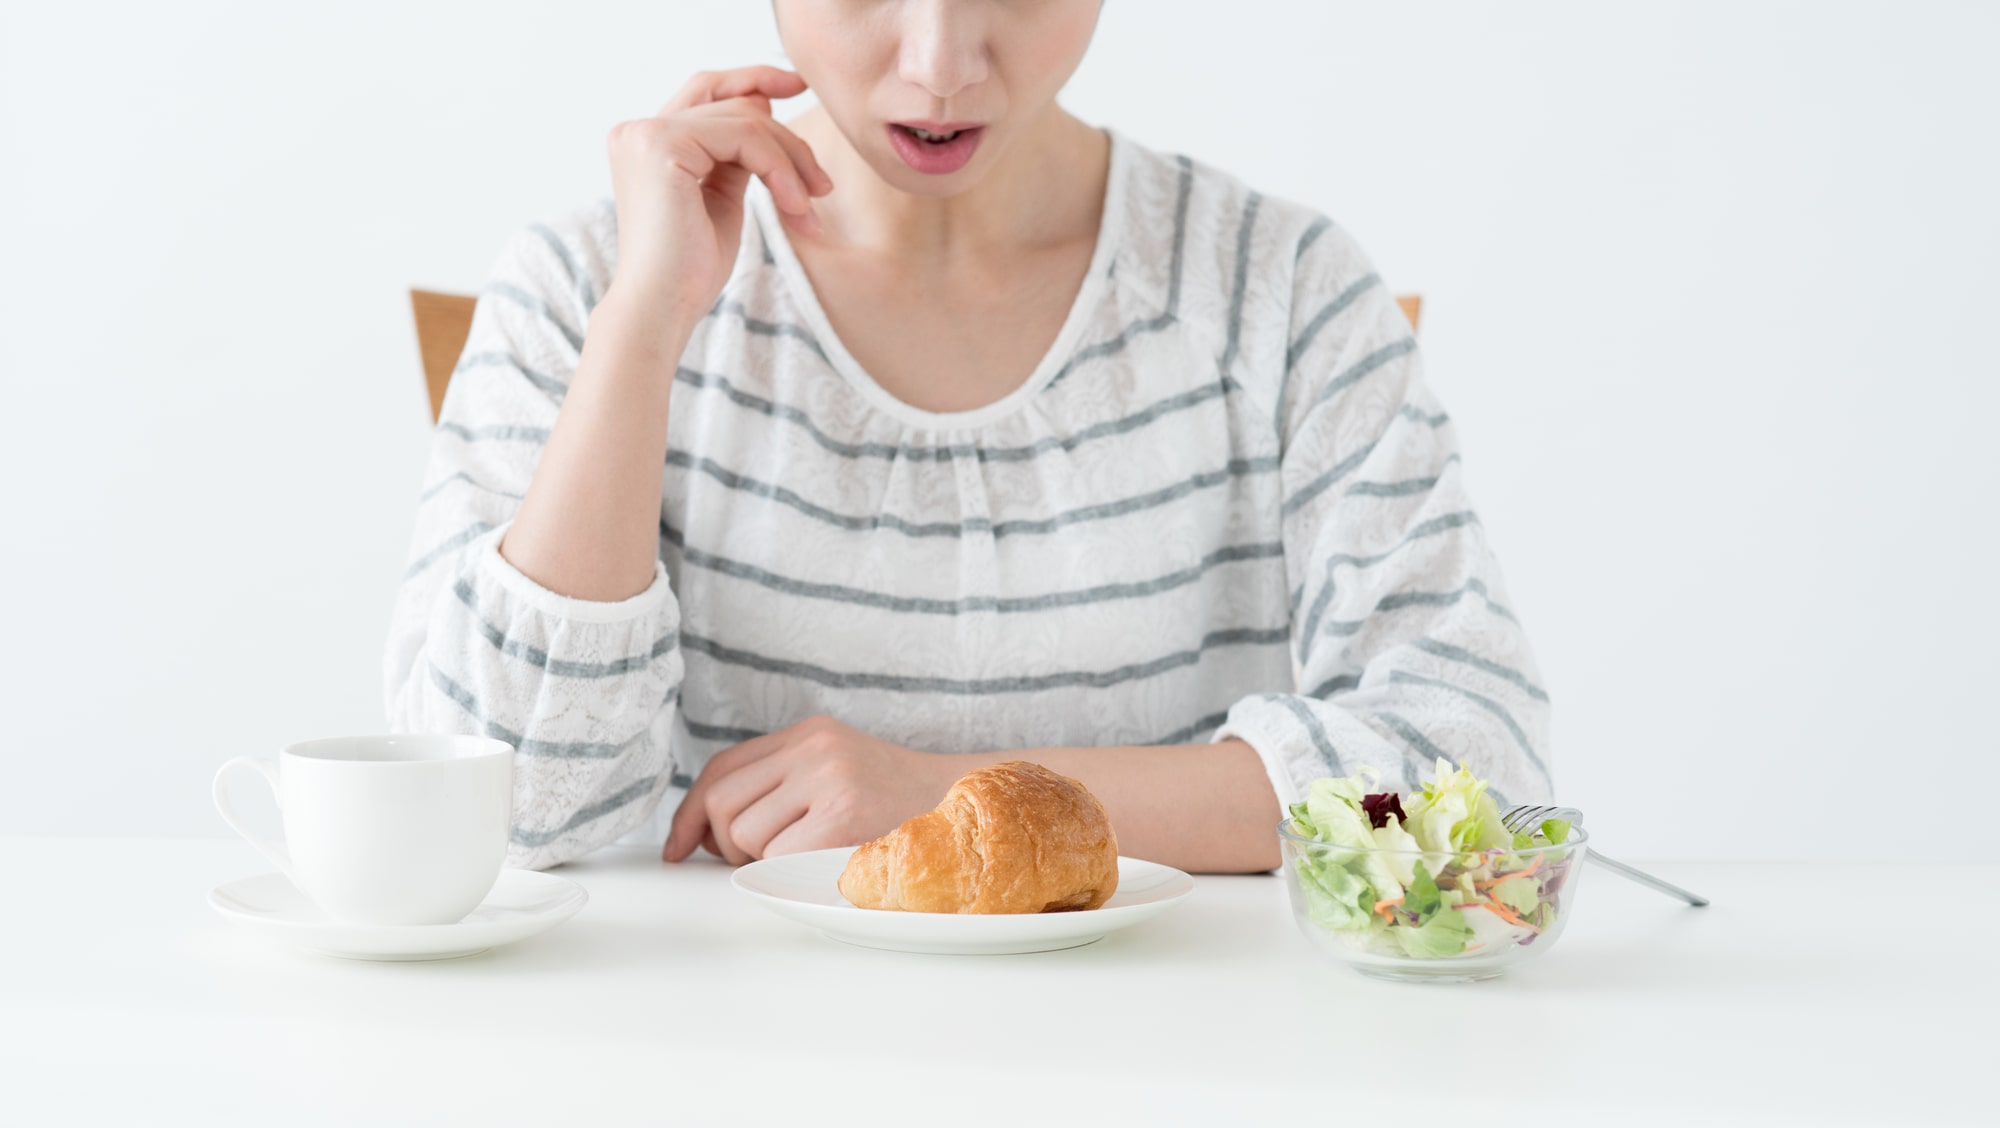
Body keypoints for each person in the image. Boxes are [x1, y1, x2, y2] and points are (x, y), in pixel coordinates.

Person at [382, 0, 1553, 875]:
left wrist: (947, 801)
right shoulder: (587, 284)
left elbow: (1474, 772)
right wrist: (645, 324)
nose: (939, 65)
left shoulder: (1279, 289)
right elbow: (493, 814)